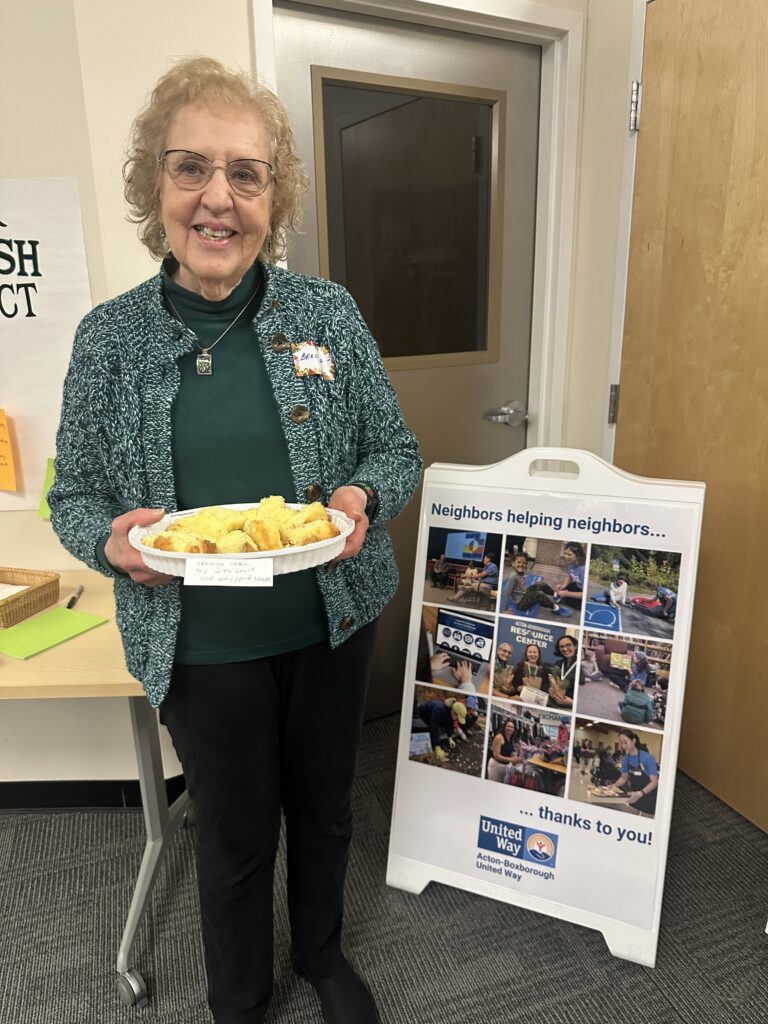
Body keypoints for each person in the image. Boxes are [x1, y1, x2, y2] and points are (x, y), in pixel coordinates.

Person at [48, 57, 421, 1024]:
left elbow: (396, 449)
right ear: (155, 187)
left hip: (330, 620)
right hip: (199, 642)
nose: (219, 198)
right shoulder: (108, 339)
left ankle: (325, 952)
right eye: (191, 169)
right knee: (234, 829)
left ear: (272, 197)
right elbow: (76, 495)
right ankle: (240, 998)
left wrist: (361, 493)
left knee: (327, 805)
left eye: (246, 174)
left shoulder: (326, 315)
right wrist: (113, 539)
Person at [615, 729, 659, 816]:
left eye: (625, 742)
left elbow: (654, 782)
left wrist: (640, 793)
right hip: (634, 795)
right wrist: (613, 786)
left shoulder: (648, 758)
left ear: (634, 741)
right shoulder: (625, 759)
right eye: (621, 743)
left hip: (649, 795)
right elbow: (623, 777)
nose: (623, 746)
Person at [415, 697, 467, 762]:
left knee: (434, 735)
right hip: (421, 715)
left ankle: (434, 747)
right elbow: (434, 727)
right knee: (429, 733)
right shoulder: (440, 710)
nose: (457, 720)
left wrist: (450, 738)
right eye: (457, 718)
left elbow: (448, 725)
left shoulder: (450, 712)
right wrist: (437, 747)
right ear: (454, 712)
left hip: (430, 718)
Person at [553, 542, 586, 610]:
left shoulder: (583, 570)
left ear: (578, 556)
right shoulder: (571, 564)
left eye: (569, 554)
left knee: (571, 601)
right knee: (560, 590)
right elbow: (570, 576)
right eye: (565, 553)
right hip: (576, 585)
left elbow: (585, 594)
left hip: (582, 592)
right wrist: (563, 585)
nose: (565, 556)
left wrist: (566, 594)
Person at [548, 635, 578, 707]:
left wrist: (573, 702)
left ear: (575, 646)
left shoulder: (581, 665)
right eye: (561, 646)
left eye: (568, 645)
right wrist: (551, 690)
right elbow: (554, 682)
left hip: (570, 708)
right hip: (554, 703)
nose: (565, 649)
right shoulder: (558, 663)